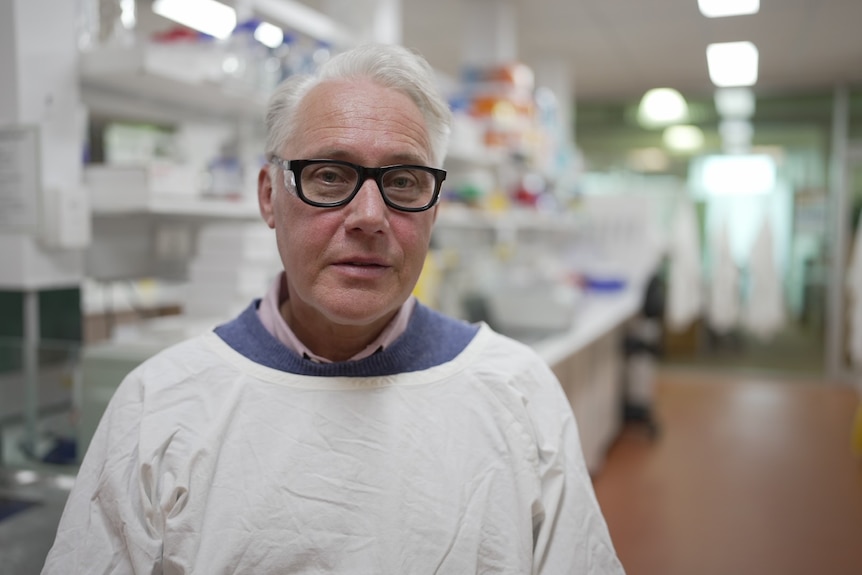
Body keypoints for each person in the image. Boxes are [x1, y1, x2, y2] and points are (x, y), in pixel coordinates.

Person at [43, 43, 624, 574]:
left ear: (433, 208)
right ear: (270, 197)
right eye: (328, 176)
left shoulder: (518, 394)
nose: (369, 215)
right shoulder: (161, 404)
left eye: (403, 180)